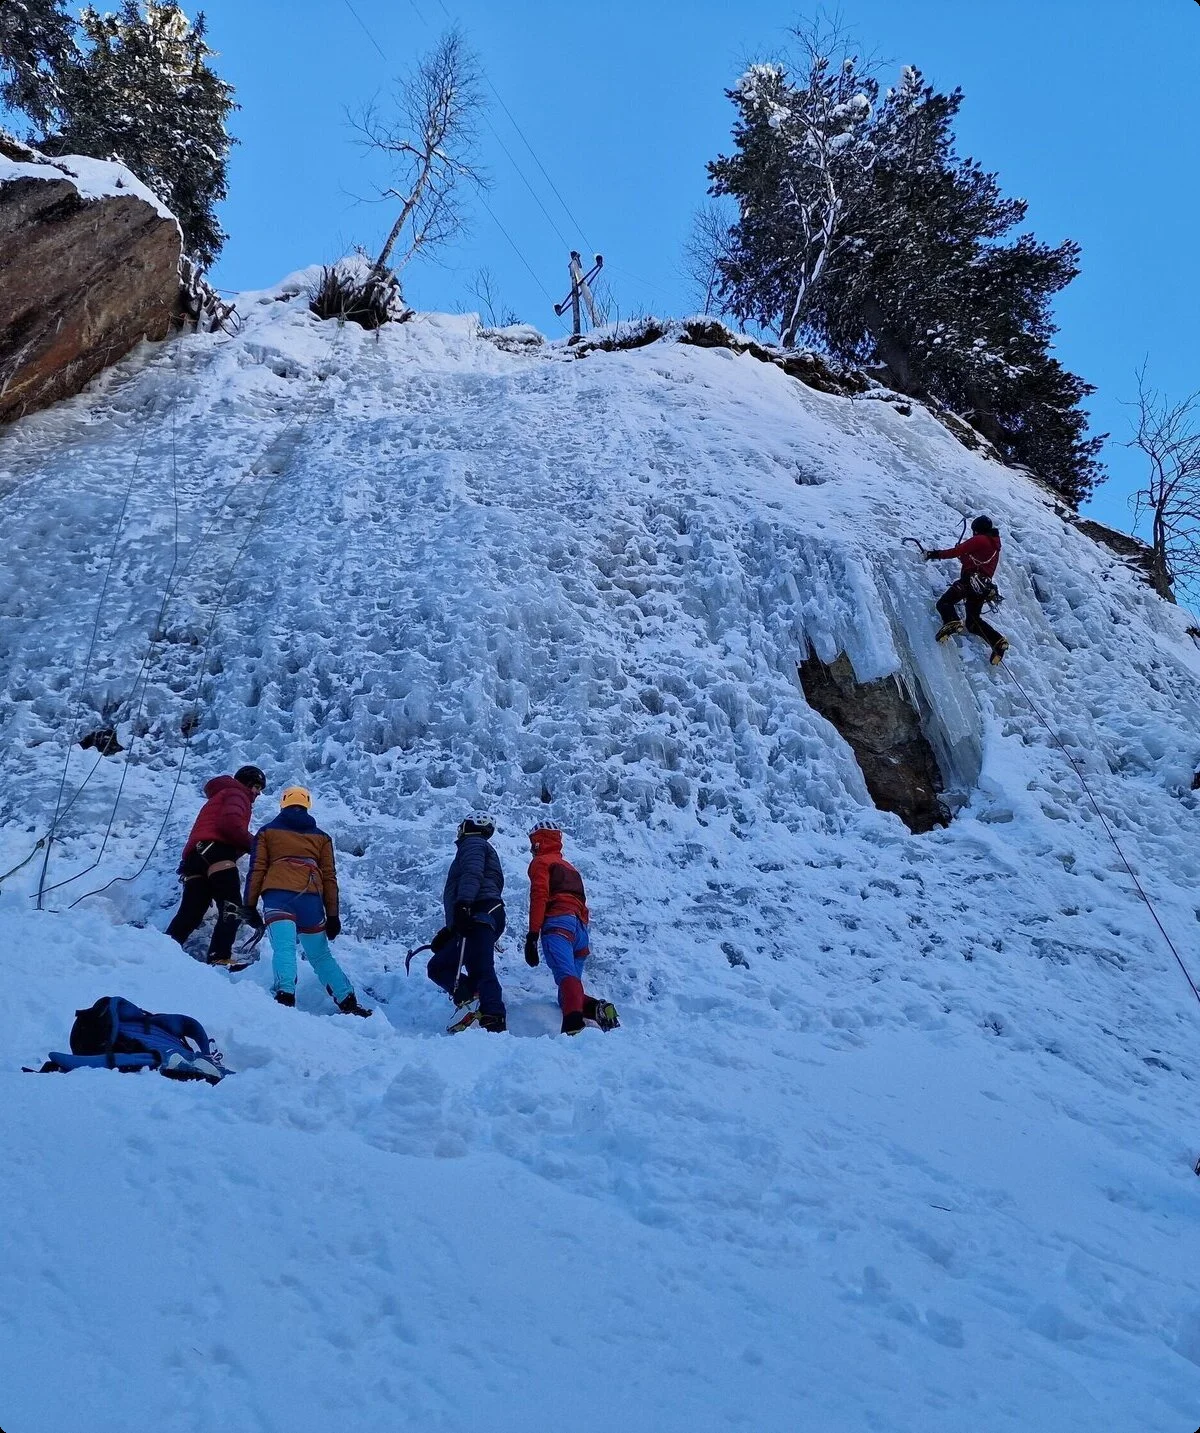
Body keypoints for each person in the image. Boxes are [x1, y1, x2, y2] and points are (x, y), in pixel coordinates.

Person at [244, 785, 370, 1016]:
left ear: (283, 803)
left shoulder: (267, 833)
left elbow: (257, 869)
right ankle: (347, 1000)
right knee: (321, 954)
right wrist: (333, 916)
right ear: (307, 804)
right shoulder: (321, 838)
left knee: (284, 948)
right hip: (311, 900)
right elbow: (330, 878)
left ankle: (285, 996)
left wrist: (249, 905)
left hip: (278, 896)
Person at [524, 822, 619, 1036]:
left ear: (539, 842)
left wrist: (532, 934)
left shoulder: (541, 862)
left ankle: (573, 1027)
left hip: (558, 924)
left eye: (533, 843)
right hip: (580, 930)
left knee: (566, 978)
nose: (531, 848)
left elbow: (539, 895)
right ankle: (598, 1010)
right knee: (567, 994)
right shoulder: (570, 867)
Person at [166, 765, 266, 967]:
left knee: (192, 912)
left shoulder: (221, 794)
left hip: (195, 858)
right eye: (255, 786)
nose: (257, 792)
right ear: (245, 782)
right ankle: (219, 957)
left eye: (260, 789)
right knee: (233, 907)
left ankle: (162, 948)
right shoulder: (238, 793)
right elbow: (230, 825)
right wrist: (258, 846)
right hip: (216, 852)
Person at [428, 816, 507, 1033]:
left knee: (479, 967)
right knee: (441, 966)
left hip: (479, 911)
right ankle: (474, 1000)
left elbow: (472, 875)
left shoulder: (473, 844)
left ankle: (493, 1016)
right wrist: (451, 929)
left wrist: (463, 905)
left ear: (470, 826)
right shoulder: (479, 846)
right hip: (482, 913)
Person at [924, 515, 1009, 665]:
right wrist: (964, 558)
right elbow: (977, 562)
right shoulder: (994, 546)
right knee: (973, 622)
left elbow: (956, 551)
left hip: (969, 582)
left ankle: (952, 621)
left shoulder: (980, 540)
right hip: (982, 587)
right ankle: (997, 641)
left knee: (944, 603)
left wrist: (934, 554)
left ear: (977, 530)